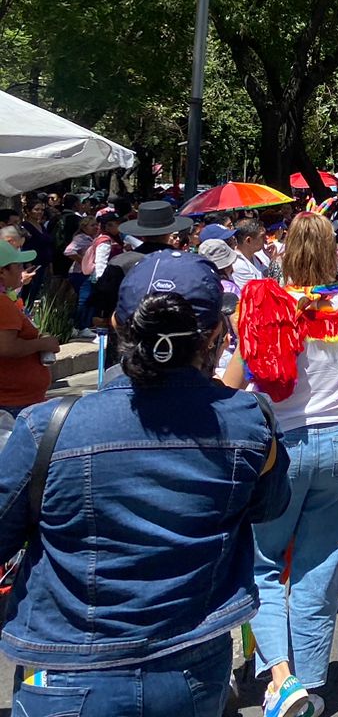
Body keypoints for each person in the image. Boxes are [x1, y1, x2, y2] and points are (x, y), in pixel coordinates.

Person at [0, 252, 289, 717]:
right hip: (191, 668)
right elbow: (270, 505)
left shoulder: (46, 428)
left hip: (67, 670)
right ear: (216, 333)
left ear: (117, 324)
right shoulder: (250, 423)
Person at [225, 211, 338, 717]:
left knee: (260, 563)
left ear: (283, 251)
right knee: (319, 567)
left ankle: (279, 676)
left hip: (283, 446)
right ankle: (307, 679)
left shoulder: (266, 305)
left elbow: (235, 384)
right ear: (336, 253)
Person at [0, 240, 54, 414]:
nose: (22, 271)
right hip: (13, 403)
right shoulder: (2, 304)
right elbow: (7, 347)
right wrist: (43, 344)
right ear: (2, 271)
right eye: (18, 266)